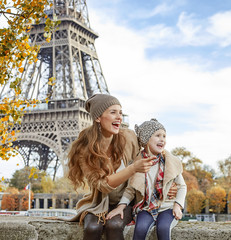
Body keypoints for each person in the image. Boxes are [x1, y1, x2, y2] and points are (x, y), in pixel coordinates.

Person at [67, 94, 157, 240]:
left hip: (127, 200)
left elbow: (157, 149)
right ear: (98, 117)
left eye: (120, 113)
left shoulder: (129, 137)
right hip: (98, 202)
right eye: (113, 112)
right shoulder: (85, 149)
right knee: (92, 227)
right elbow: (102, 185)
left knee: (114, 225)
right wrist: (133, 168)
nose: (119, 117)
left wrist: (171, 184)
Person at [108, 118, 187, 240]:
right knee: (139, 229)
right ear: (146, 139)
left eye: (164, 136)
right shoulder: (137, 163)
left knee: (163, 229)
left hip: (167, 208)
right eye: (157, 135)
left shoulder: (171, 162)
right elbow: (131, 190)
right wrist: (121, 206)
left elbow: (182, 186)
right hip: (146, 208)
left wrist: (177, 205)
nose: (162, 139)